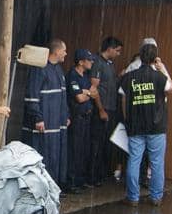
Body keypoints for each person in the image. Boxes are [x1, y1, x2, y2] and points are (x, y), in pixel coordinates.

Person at [119, 42, 172, 206]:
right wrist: (162, 68)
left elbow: (123, 97)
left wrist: (126, 118)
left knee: (134, 161)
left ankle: (133, 197)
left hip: (135, 125)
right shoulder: (159, 77)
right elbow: (171, 89)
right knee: (157, 162)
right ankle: (156, 197)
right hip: (156, 126)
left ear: (140, 57)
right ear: (154, 58)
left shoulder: (129, 77)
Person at [23, 38, 70, 188]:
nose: (66, 54)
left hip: (57, 124)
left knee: (55, 157)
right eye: (64, 50)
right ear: (56, 51)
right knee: (45, 156)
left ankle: (53, 188)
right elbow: (32, 95)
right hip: (45, 124)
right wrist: (38, 118)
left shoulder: (58, 70)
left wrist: (66, 115)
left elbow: (63, 96)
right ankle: (41, 189)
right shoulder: (40, 69)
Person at [89, 36, 124, 184]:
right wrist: (101, 110)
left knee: (106, 144)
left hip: (111, 109)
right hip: (101, 110)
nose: (118, 54)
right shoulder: (97, 62)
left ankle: (103, 174)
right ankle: (92, 176)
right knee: (96, 144)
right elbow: (94, 88)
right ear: (109, 49)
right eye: (117, 51)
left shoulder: (110, 64)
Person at [67, 49, 99, 192]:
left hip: (87, 116)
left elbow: (94, 92)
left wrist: (86, 92)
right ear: (81, 61)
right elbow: (79, 98)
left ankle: (80, 180)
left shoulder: (85, 76)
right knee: (74, 150)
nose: (91, 62)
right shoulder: (73, 76)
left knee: (83, 150)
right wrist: (87, 93)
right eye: (88, 59)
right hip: (77, 118)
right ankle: (71, 182)